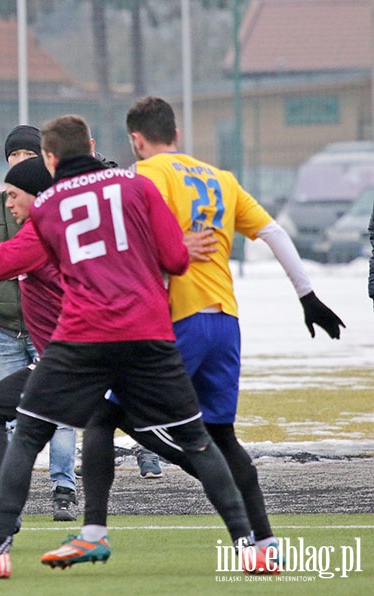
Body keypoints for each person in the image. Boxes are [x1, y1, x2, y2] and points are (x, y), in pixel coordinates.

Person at [0, 114, 264, 579]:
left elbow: (3, 262)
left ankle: (7, 551)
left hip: (91, 344)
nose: (12, 197)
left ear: (50, 160)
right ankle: (249, 544)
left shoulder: (58, 206)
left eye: (25, 163)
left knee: (159, 437)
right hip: (151, 333)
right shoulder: (132, 187)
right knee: (178, 437)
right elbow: (173, 257)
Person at [125, 95, 345, 561]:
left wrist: (173, 245)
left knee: (117, 408)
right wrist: (307, 295)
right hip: (225, 321)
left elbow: (144, 235)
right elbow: (273, 233)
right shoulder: (219, 178)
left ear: (137, 140)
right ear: (178, 135)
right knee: (222, 435)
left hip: (182, 319)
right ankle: (265, 544)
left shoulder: (149, 173)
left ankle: (205, 476)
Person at [0, 126, 77, 522]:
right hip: (7, 325)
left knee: (63, 418)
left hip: (57, 341)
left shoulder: (57, 216)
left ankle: (63, 488)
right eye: (14, 154)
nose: (19, 160)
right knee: (2, 416)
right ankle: (8, 504)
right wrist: (9, 265)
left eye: (29, 154)